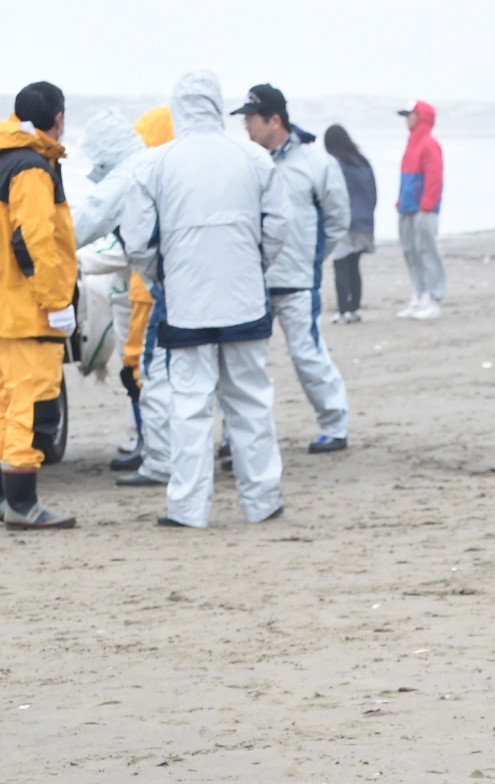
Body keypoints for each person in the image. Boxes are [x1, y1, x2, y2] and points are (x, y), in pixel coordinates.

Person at [122, 70, 286, 528]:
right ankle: (263, 499)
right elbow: (279, 226)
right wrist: (254, 267)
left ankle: (189, 508)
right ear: (217, 105)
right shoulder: (254, 158)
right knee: (251, 399)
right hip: (245, 298)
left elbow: (137, 241)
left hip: (186, 301)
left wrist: (164, 277)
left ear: (178, 107)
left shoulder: (153, 164)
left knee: (189, 406)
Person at [0, 81, 80, 529]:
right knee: (33, 404)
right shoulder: (34, 169)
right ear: (57, 119)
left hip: (3, 307)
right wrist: (57, 301)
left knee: (9, 400)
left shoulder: (4, 162)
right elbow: (35, 240)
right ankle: (22, 503)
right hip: (29, 311)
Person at [239, 84, 352, 454]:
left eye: (252, 118)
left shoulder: (316, 163)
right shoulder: (245, 161)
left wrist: (312, 258)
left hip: (298, 280)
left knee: (307, 354)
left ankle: (335, 425)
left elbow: (337, 220)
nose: (246, 126)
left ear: (275, 120)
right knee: (245, 363)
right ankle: (238, 435)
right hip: (250, 280)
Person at [74, 105, 173, 479]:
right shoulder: (163, 165)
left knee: (151, 373)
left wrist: (41, 250)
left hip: (156, 290)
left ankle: (159, 459)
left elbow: (87, 223)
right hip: (176, 285)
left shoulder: (130, 175)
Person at [394, 100, 444, 318]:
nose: (407, 119)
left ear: (420, 116)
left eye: (410, 115)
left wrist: (427, 204)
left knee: (426, 251)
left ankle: (432, 296)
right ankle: (419, 293)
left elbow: (435, 177)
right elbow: (405, 178)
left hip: (423, 209)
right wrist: (400, 202)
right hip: (407, 208)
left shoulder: (429, 144)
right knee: (411, 252)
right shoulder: (411, 144)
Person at [324, 124, 377, 322]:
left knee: (341, 265)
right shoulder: (362, 162)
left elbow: (334, 195)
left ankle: (343, 310)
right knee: (354, 264)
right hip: (364, 221)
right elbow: (373, 193)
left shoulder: (336, 164)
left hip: (345, 221)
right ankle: (354, 309)